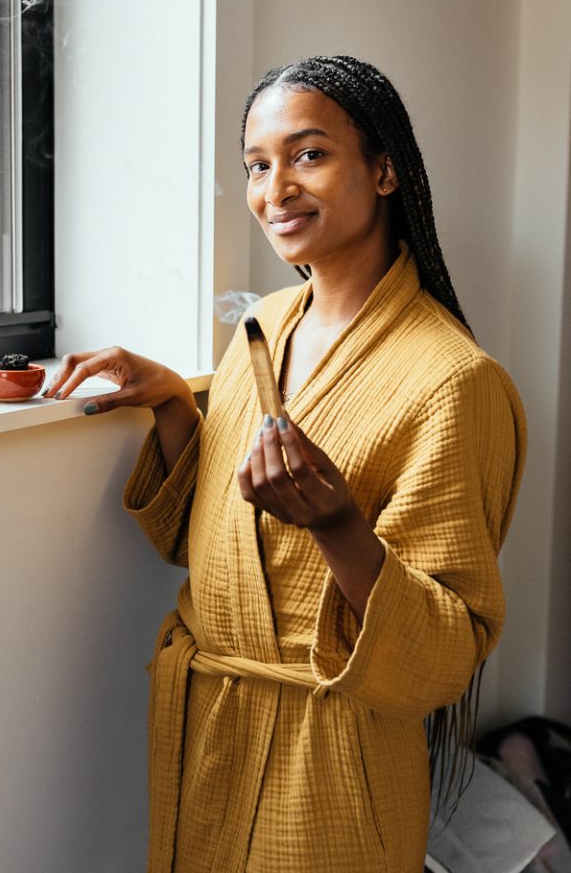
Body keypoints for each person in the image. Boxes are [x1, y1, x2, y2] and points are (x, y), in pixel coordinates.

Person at [45, 55, 526, 873]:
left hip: (333, 761)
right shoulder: (264, 328)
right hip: (211, 738)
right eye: (257, 167)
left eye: (309, 155)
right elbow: (214, 548)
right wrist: (175, 407)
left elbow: (447, 649)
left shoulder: (454, 381)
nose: (276, 189)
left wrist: (339, 528)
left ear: (383, 170)